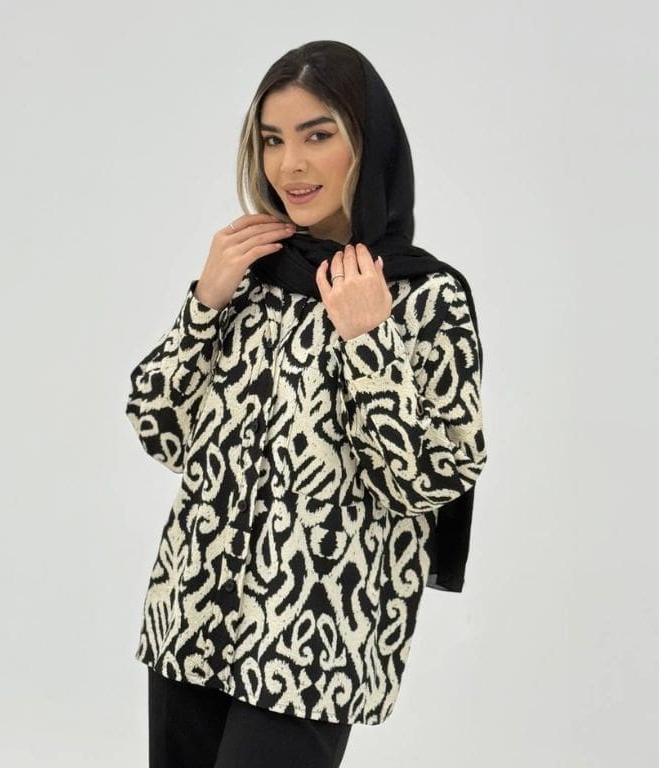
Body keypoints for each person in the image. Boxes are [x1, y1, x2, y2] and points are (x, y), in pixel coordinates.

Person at [126, 40, 489, 768]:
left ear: (368, 143)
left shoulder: (424, 296)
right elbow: (161, 431)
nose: (289, 164)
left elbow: (434, 479)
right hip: (192, 611)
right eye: (272, 140)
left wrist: (369, 341)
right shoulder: (252, 274)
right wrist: (204, 303)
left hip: (315, 642)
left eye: (317, 135)